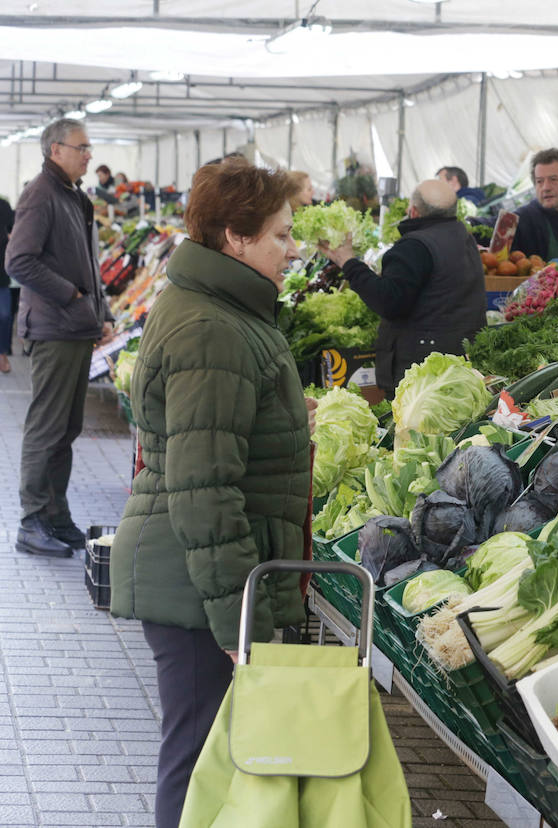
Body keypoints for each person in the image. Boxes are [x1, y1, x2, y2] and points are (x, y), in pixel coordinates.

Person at [109, 158, 313, 828]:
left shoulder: (220, 310)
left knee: (208, 758)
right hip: (198, 589)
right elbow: (205, 490)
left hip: (198, 579)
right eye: (281, 235)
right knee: (198, 761)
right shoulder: (213, 330)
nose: (292, 249)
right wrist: (238, 621)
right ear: (236, 237)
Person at [4, 118, 115, 558]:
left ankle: (55, 515)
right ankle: (32, 522)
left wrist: (99, 311)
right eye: (82, 146)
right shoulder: (41, 194)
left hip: (74, 326)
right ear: (56, 150)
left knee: (66, 427)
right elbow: (19, 261)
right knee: (46, 428)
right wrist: (72, 297)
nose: (90, 154)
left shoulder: (73, 194)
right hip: (53, 328)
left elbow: (85, 260)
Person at [320, 178, 486, 396]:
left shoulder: (414, 247)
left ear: (413, 211)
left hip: (421, 369)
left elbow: (388, 301)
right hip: (458, 360)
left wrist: (349, 263)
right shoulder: (463, 236)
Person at [0, 194, 14, 373]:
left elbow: (14, 227)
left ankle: (2, 354)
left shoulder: (3, 205)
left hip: (2, 275)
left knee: (5, 316)